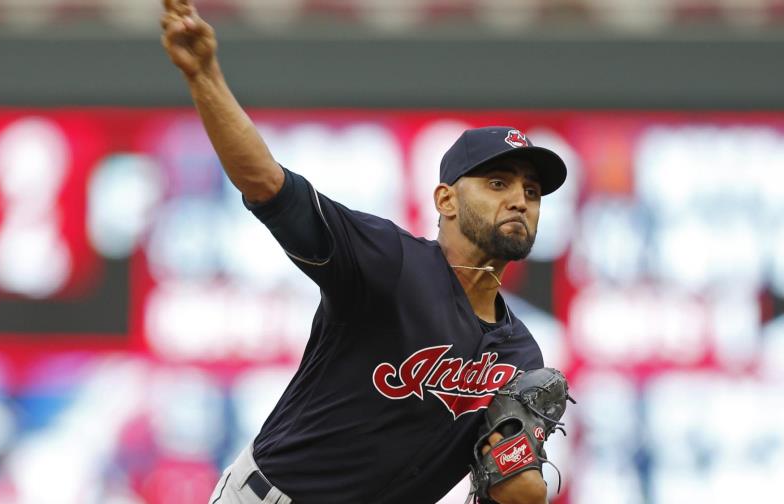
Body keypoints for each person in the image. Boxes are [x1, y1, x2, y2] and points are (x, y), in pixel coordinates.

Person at [160, 1, 567, 502]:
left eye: (531, 191)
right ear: (446, 200)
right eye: (497, 182)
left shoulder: (520, 353)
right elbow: (266, 183)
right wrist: (204, 75)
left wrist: (519, 476)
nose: (519, 200)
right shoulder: (389, 263)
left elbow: (518, 493)